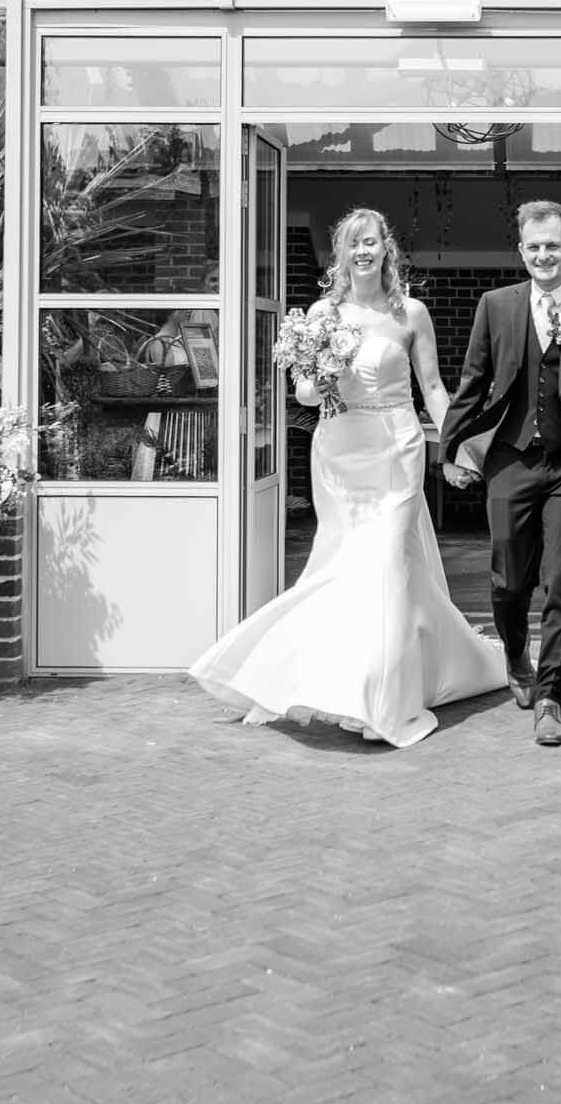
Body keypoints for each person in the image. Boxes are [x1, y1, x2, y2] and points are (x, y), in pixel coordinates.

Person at [190, 209, 503, 747]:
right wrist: (317, 383)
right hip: (337, 449)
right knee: (341, 564)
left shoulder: (412, 313)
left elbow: (432, 388)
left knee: (386, 561)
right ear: (341, 254)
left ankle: (383, 700)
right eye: (354, 243)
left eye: (373, 241)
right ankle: (333, 678)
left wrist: (455, 446)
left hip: (396, 445)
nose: (364, 251)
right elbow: (306, 394)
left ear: (387, 249)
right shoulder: (320, 313)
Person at [436, 200, 561, 748]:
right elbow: (473, 381)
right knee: (508, 581)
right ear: (521, 251)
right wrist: (451, 450)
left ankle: (551, 698)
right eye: (533, 246)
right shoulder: (495, 306)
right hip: (510, 459)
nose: (543, 255)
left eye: (553, 245)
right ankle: (515, 651)